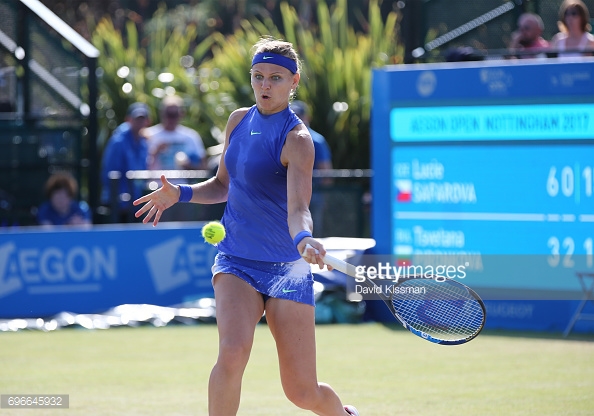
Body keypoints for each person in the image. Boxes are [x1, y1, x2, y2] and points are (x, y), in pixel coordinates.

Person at [133, 37, 359, 416]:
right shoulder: (238, 120)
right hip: (237, 260)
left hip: (288, 269)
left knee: (302, 393)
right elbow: (223, 185)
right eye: (258, 77)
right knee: (232, 352)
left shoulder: (299, 140)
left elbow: (298, 208)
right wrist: (182, 194)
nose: (265, 85)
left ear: (294, 81)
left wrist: (303, 238)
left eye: (275, 78)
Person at [144, 95, 207, 221]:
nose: (171, 118)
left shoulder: (191, 137)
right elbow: (140, 165)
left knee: (183, 230)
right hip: (156, 190)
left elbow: (203, 166)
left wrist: (189, 165)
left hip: (182, 192)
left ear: (181, 114)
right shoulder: (148, 135)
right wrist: (155, 151)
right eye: (168, 113)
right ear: (162, 113)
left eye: (175, 114)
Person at [100, 102, 150, 223]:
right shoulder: (118, 142)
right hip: (119, 206)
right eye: (136, 119)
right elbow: (110, 174)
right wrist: (122, 201)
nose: (139, 122)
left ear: (147, 122)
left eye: (142, 119)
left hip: (135, 205)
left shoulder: (143, 143)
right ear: (128, 119)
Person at [290, 100, 333, 235]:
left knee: (312, 234)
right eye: (292, 114)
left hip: (314, 197)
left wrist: (324, 197)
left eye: (299, 114)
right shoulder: (285, 138)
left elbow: (325, 171)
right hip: (290, 197)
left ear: (307, 117)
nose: (295, 118)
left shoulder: (316, 141)